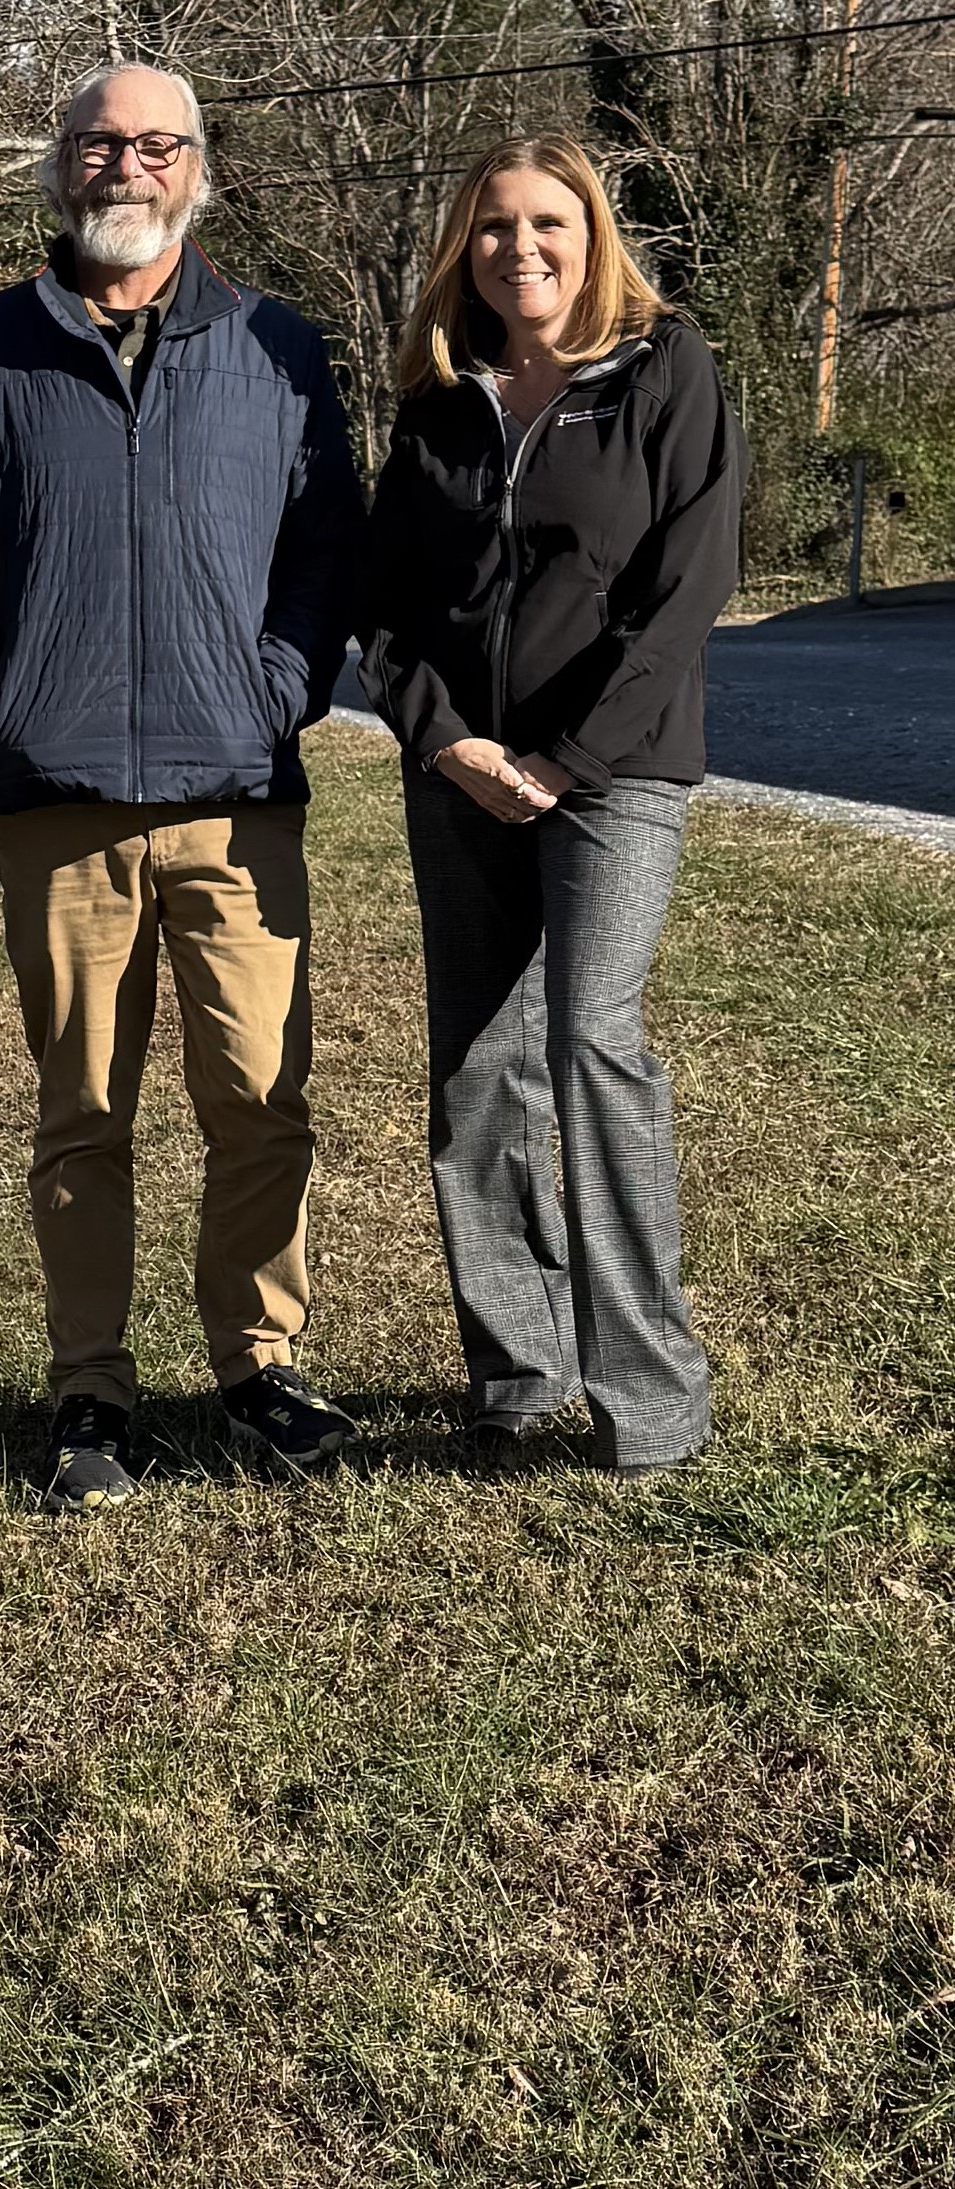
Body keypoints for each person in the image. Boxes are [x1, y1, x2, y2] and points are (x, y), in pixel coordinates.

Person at [0, 63, 367, 1508]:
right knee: (82, 1111)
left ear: (197, 170)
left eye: (155, 143)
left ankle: (258, 1366)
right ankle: (88, 1393)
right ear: (58, 164)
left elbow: (323, 550)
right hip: (58, 795)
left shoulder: (278, 348)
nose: (124, 167)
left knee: (258, 1102)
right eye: (98, 142)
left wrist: (275, 695)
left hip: (236, 792)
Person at [357, 136, 741, 1474]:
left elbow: (685, 588)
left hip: (614, 771)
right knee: (473, 1071)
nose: (520, 249)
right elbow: (384, 607)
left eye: (548, 225)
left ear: (592, 237)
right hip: (463, 773)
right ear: (461, 246)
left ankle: (648, 1402)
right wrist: (450, 744)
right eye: (493, 228)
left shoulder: (662, 369)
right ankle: (515, 1380)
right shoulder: (436, 398)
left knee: (589, 1042)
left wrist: (571, 758)